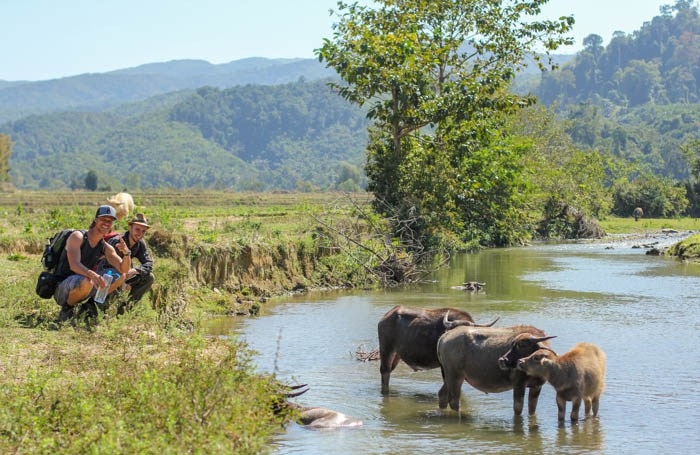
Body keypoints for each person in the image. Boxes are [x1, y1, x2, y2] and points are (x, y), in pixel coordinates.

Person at [53, 205, 132, 322]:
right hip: (62, 286)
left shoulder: (105, 247)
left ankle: (90, 305)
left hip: (86, 284)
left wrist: (126, 253)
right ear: (95, 220)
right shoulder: (78, 237)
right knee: (87, 281)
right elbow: (74, 265)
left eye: (110, 221)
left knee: (120, 276)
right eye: (103, 219)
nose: (106, 223)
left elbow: (124, 269)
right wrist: (94, 275)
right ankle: (67, 309)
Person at [107, 213, 155, 313]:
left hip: (125, 274)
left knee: (149, 277)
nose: (140, 234)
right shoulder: (117, 241)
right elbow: (106, 265)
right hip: (109, 276)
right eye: (137, 229)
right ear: (130, 227)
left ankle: (126, 308)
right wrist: (123, 280)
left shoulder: (140, 243)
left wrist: (134, 271)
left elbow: (149, 264)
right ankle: (100, 310)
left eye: (143, 231)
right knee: (111, 277)